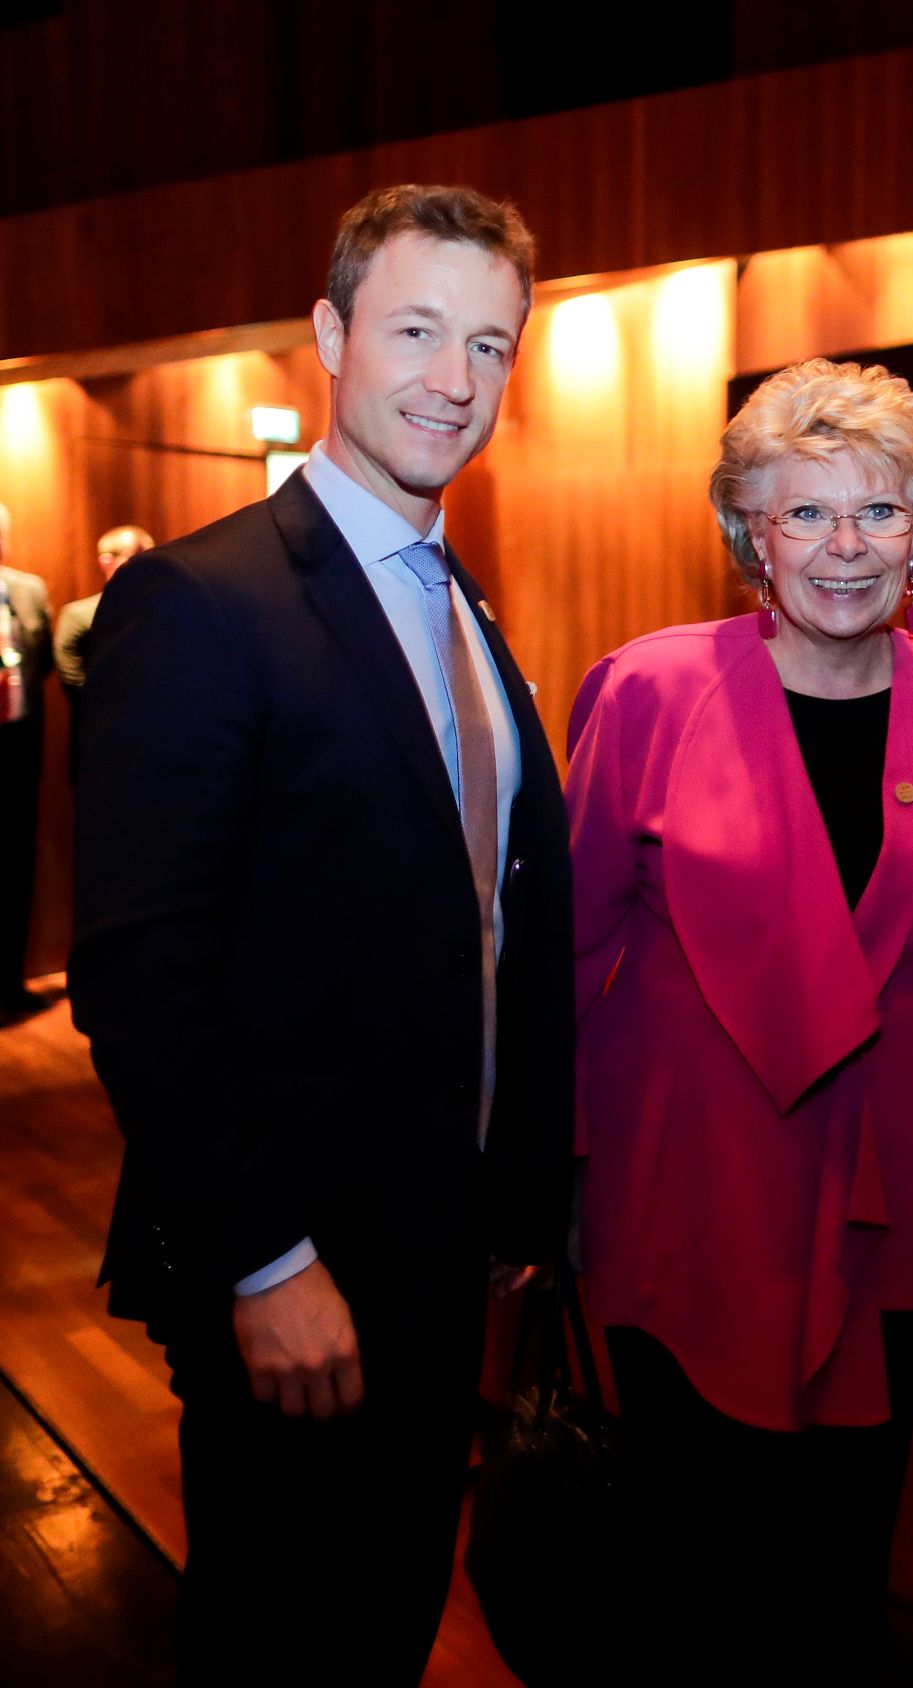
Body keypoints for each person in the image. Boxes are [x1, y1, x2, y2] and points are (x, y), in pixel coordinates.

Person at [69, 185, 572, 1686]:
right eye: (417, 331)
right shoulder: (201, 599)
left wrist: (512, 1205)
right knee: (281, 1642)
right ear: (332, 334)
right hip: (295, 1276)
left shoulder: (461, 606)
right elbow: (143, 972)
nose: (454, 381)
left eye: (489, 345)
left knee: (385, 1626)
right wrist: (263, 1261)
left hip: (431, 1262)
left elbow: (477, 918)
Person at [565, 357, 913, 1682]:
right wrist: (544, 1168)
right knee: (703, 1572)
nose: (844, 546)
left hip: (889, 1181)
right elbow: (570, 945)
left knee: (841, 1566)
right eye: (803, 513)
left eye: (880, 512)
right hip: (690, 1189)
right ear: (747, 535)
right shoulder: (649, 690)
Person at [0, 500, 52, 1019]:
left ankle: (9, 984)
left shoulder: (29, 589)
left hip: (19, 751)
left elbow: (45, 665)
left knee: (17, 868)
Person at [54, 523, 154, 779]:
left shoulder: (163, 610)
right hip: (99, 743)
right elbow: (75, 682)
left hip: (155, 742)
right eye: (135, 557)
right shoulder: (78, 617)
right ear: (106, 561)